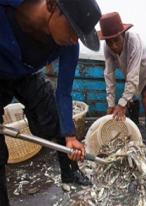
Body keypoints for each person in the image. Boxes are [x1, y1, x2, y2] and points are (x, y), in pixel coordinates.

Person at [0, 0, 101, 204]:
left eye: (79, 36)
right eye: (73, 30)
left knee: (56, 121)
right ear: (52, 5)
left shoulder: (68, 46)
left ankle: (69, 173)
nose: (75, 40)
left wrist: (70, 136)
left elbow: (63, 93)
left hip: (26, 74)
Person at [98, 12, 146, 146]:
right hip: (130, 71)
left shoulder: (134, 41)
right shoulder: (107, 48)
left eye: (116, 40)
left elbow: (133, 75)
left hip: (145, 69)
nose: (113, 46)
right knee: (130, 100)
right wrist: (111, 104)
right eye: (109, 41)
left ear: (123, 35)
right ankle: (133, 126)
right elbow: (109, 75)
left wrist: (121, 103)